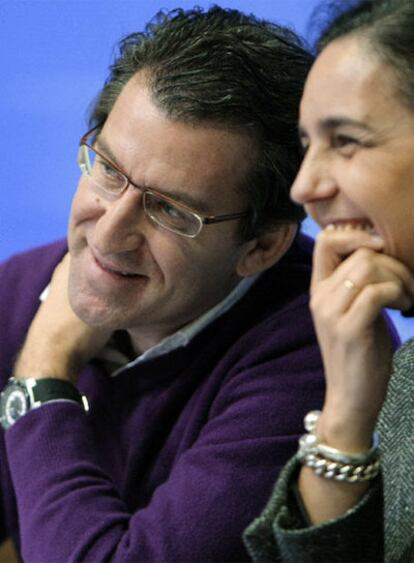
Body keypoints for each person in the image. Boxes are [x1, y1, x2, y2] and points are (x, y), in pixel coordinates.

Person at [0, 6, 326, 562]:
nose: (108, 234)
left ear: (263, 245)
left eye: (169, 210)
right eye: (107, 169)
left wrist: (42, 374)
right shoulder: (17, 288)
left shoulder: (314, 361)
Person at [243, 0, 414, 561]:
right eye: (305, 145)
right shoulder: (402, 375)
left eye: (345, 141)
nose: (303, 187)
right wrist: (345, 413)